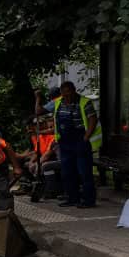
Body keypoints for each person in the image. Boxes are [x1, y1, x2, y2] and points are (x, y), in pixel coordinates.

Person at [45, 80, 100, 208]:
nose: (67, 97)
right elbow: (39, 110)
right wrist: (37, 98)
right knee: (67, 172)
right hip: (65, 142)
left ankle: (88, 200)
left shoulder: (85, 102)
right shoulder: (58, 103)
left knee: (84, 172)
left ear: (74, 91)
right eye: (64, 94)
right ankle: (72, 198)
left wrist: (86, 137)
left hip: (80, 140)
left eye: (69, 94)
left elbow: (93, 120)